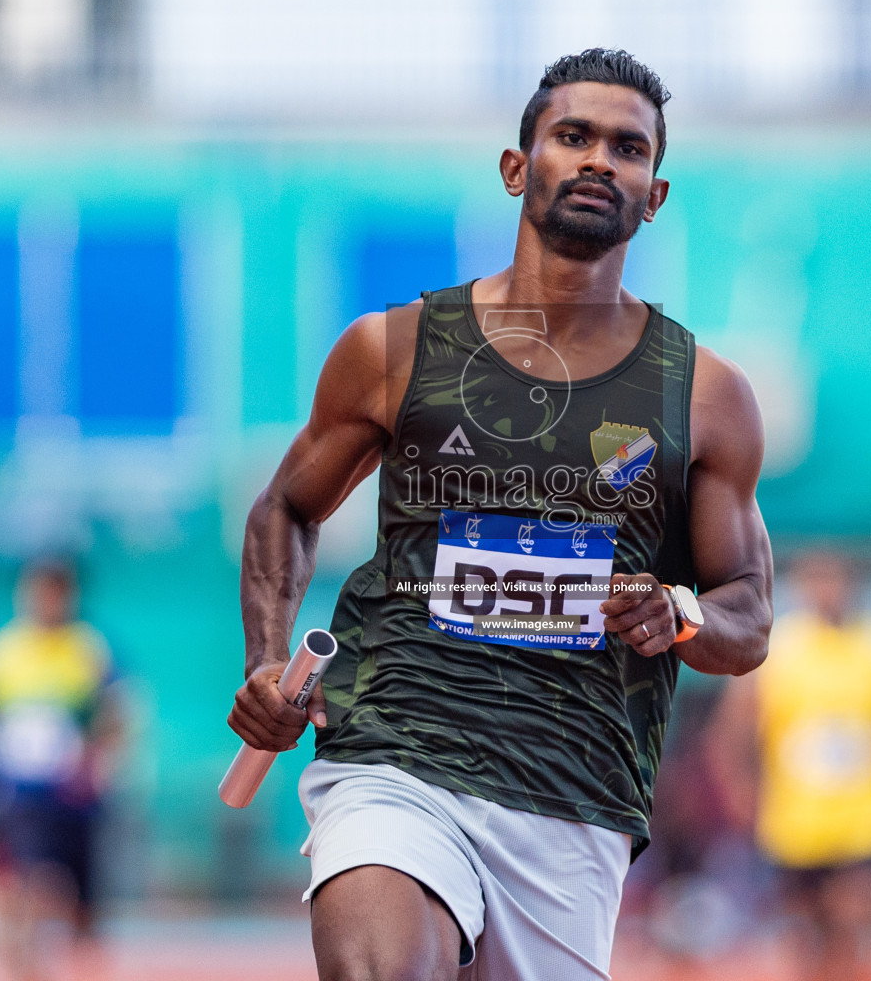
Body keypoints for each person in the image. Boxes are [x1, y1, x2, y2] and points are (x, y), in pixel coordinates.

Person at [227, 48, 774, 980]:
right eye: (574, 137)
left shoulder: (706, 399)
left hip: (573, 797)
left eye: (628, 149)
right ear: (518, 168)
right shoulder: (394, 351)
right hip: (395, 750)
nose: (601, 160)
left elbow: (748, 616)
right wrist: (268, 659)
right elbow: (286, 505)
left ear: (657, 194)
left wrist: (676, 611)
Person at [708, 552, 871, 981]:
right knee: (808, 942)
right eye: (818, 581)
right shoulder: (780, 648)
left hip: (868, 818)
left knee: (857, 924)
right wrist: (740, 787)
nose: (828, 591)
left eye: (836, 580)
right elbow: (733, 727)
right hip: (797, 822)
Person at [0, 559, 122, 974]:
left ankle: (77, 961)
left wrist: (99, 766)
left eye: (56, 592)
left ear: (70, 596)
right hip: (16, 792)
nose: (46, 601)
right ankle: (24, 967)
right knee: (22, 885)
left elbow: (115, 716)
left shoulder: (87, 649)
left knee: (80, 901)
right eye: (38, 591)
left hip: (70, 795)